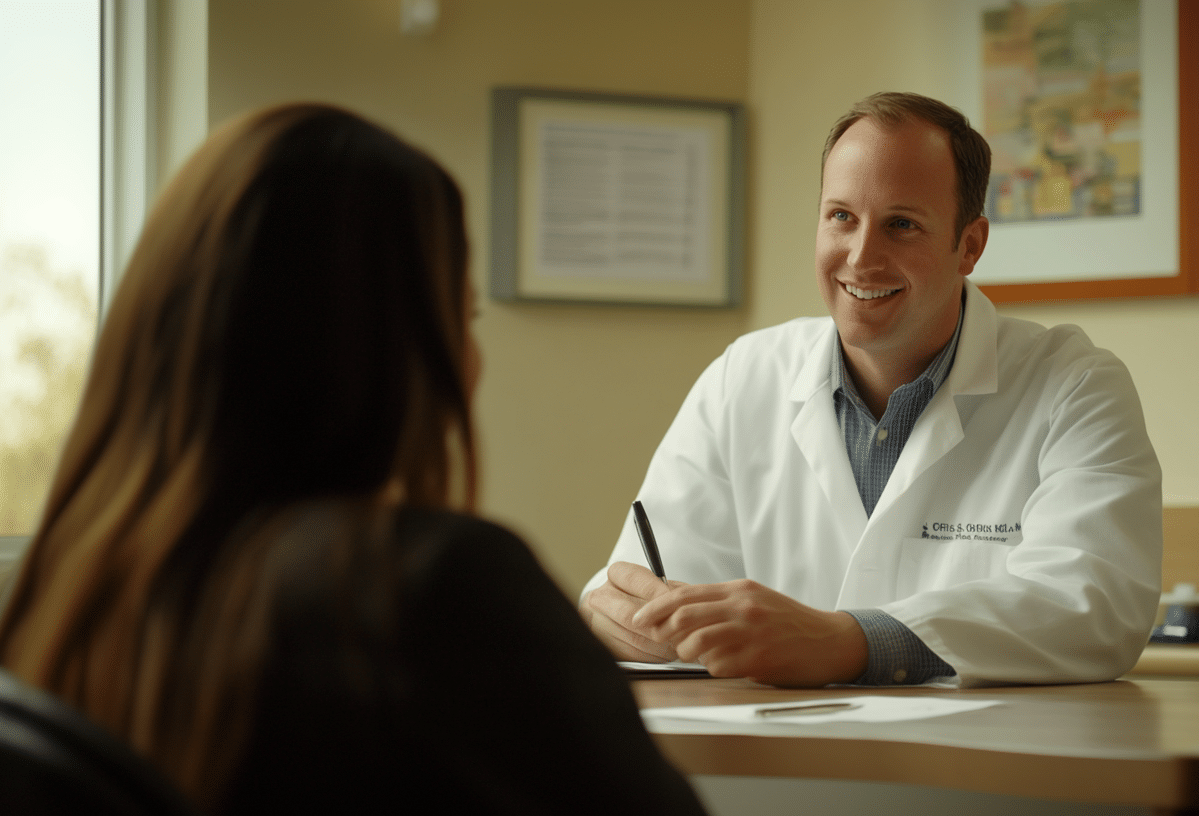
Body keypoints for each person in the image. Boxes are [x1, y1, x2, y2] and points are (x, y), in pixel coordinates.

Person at [0, 103, 706, 815]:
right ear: (391, 350)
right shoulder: (425, 590)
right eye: (459, 319)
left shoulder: (70, 591)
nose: (472, 360)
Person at [581, 91, 1162, 689]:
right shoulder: (743, 376)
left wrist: (848, 643)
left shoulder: (1074, 385)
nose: (861, 258)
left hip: (984, 763)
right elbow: (635, 583)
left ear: (970, 245)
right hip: (775, 759)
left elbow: (1093, 605)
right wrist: (631, 620)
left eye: (901, 225)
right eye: (841, 217)